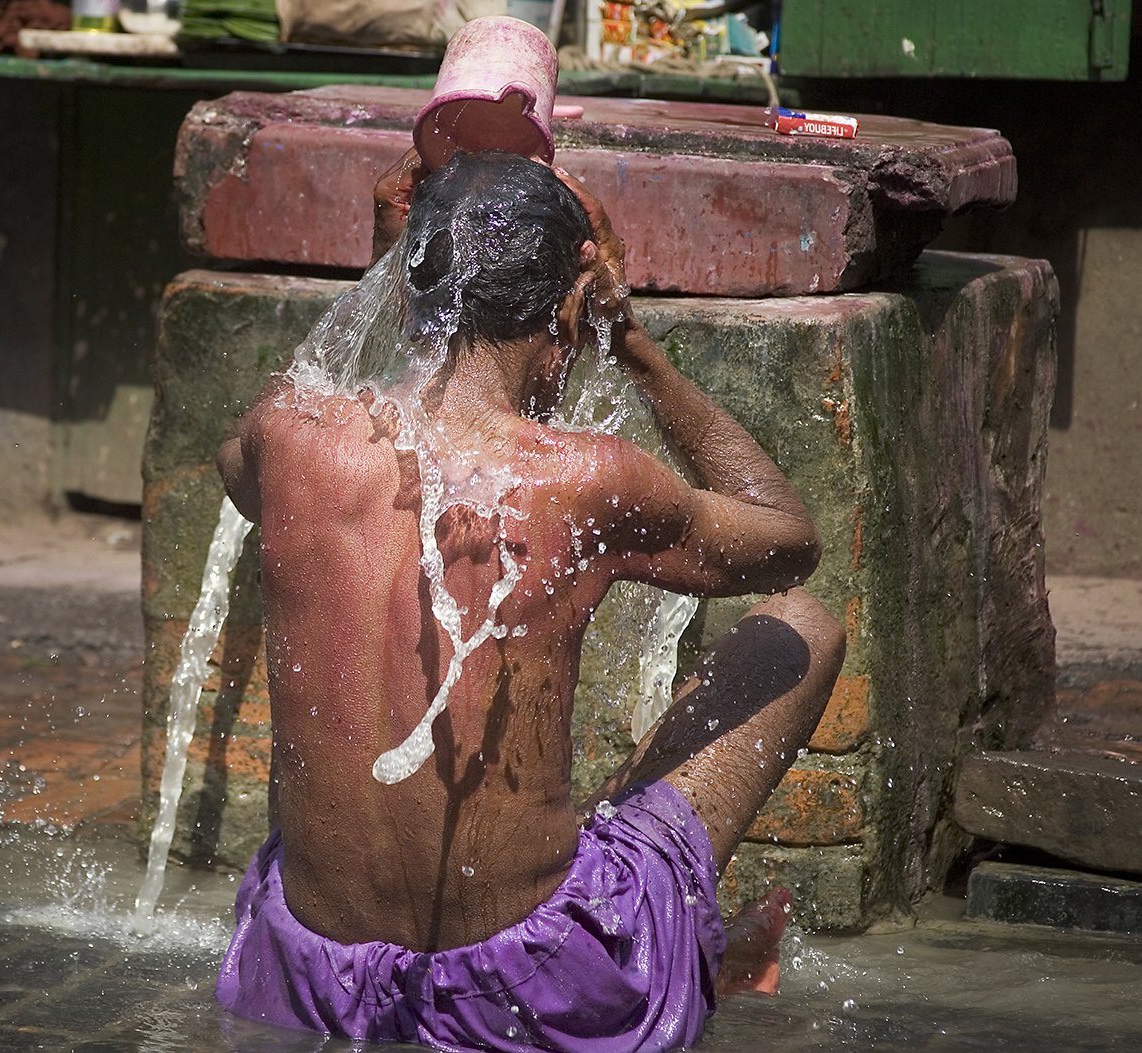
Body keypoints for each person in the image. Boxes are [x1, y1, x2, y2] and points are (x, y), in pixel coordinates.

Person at [212, 149, 845, 1053]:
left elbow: (236, 466)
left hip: (305, 975)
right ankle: (692, 948)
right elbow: (791, 541)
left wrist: (399, 273)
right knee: (801, 629)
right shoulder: (585, 479)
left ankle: (697, 942)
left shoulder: (290, 438)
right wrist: (634, 348)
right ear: (567, 310)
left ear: (404, 290)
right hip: (526, 993)